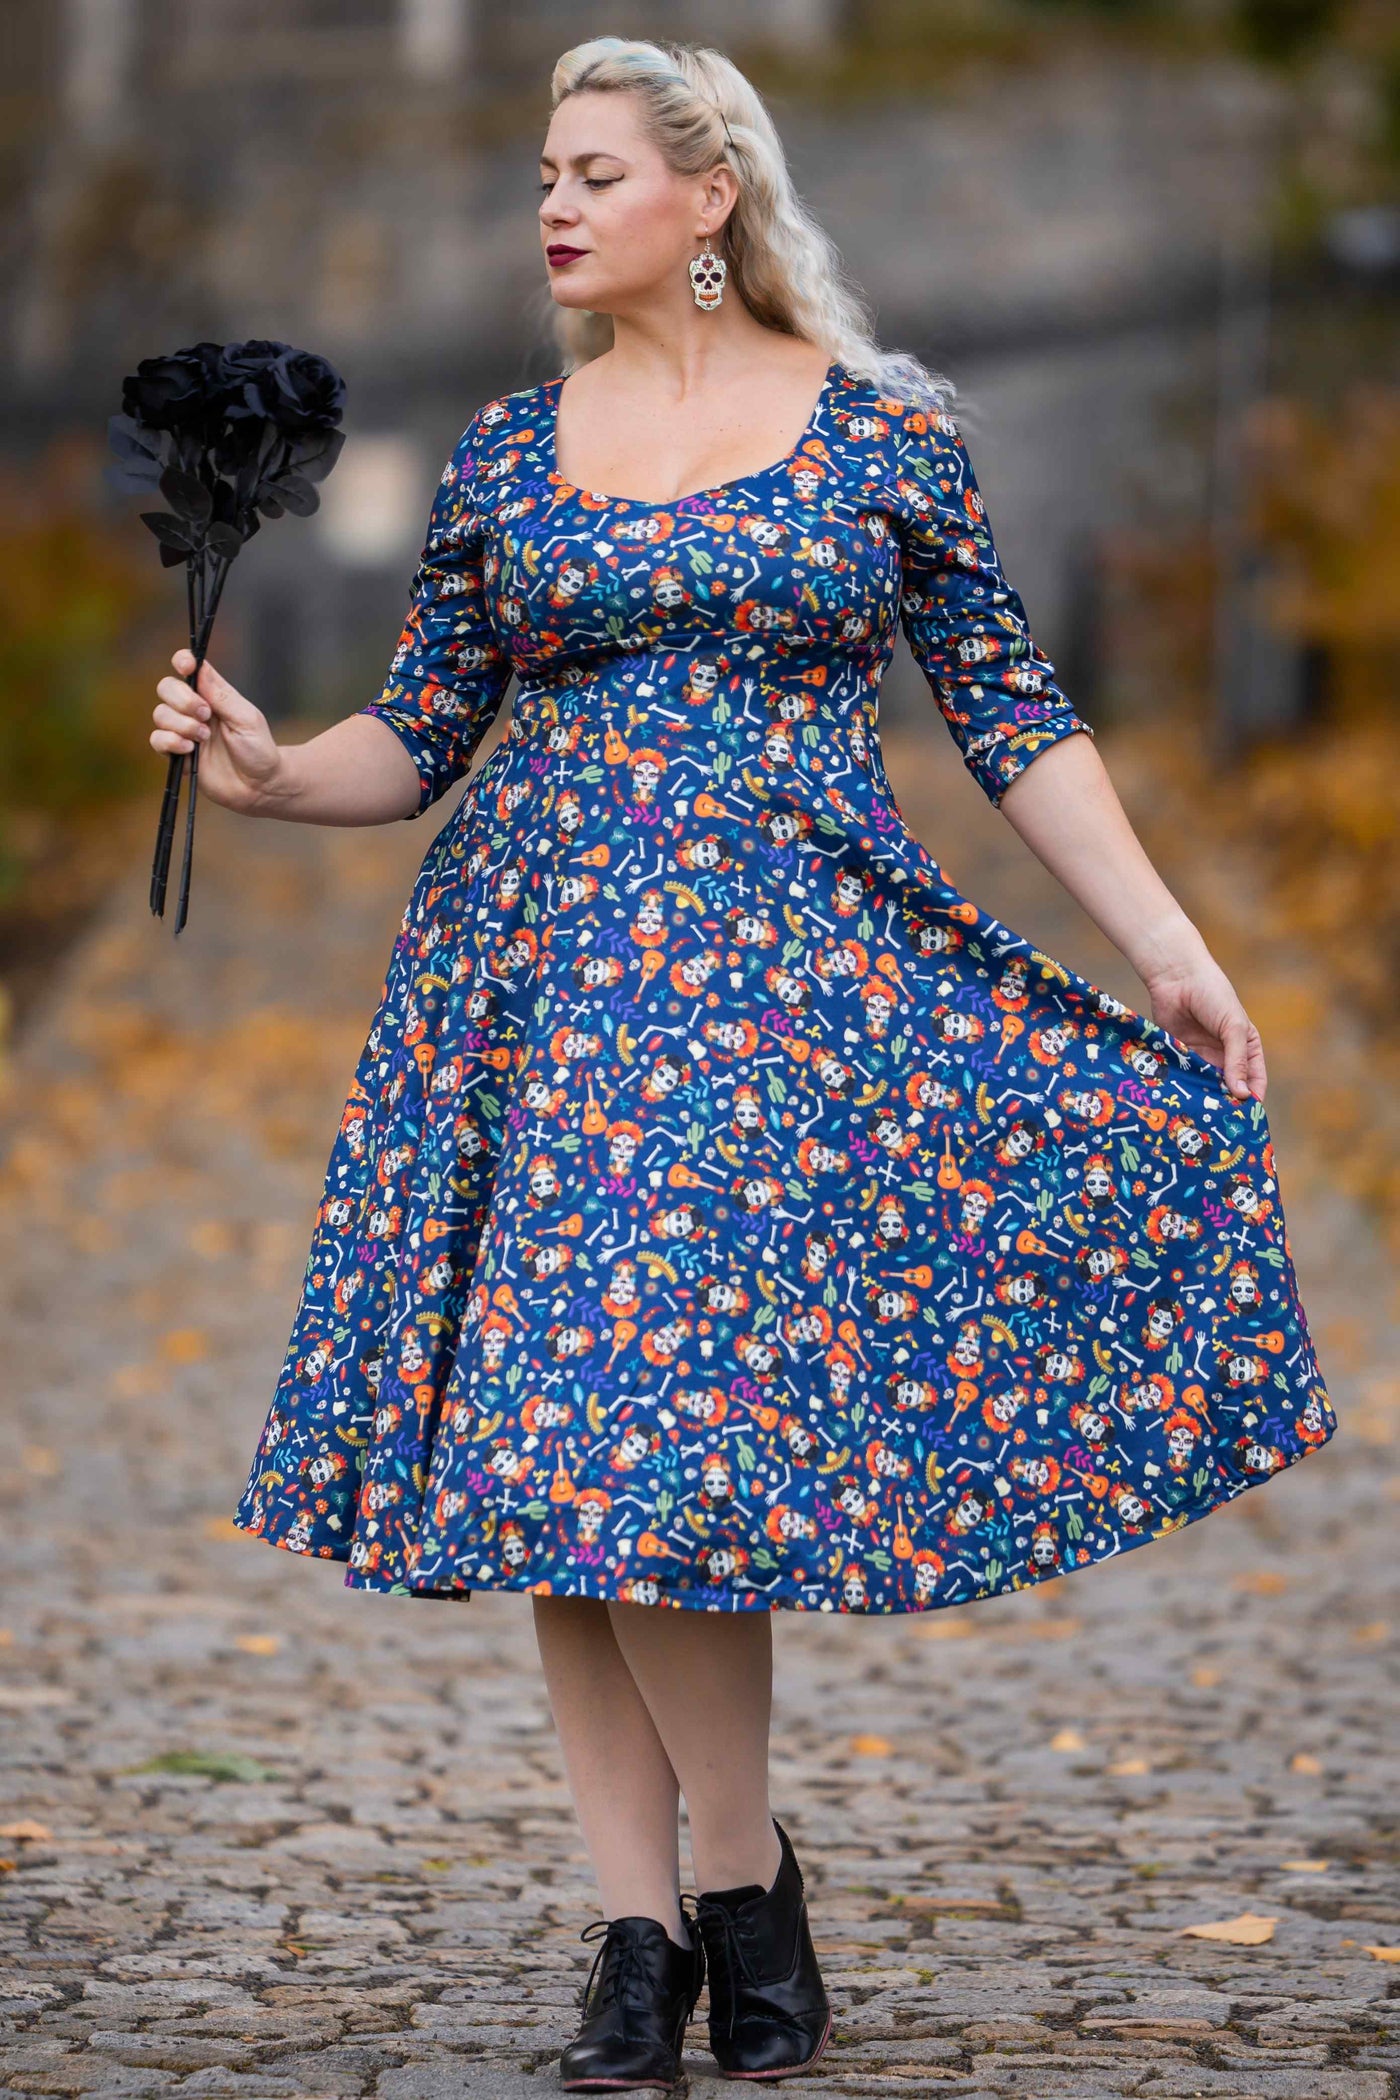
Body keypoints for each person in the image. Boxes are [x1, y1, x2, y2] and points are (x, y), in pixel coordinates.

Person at [149, 32, 1337, 2095]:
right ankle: (642, 1930)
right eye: (544, 170)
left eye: (596, 168)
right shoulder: (510, 455)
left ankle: (735, 1867)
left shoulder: (882, 434)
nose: (555, 202)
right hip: (533, 994)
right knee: (562, 1450)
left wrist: (1167, 944)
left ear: (710, 198)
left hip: (783, 1004)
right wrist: (265, 772)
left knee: (668, 1442)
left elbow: (1013, 711)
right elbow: (417, 739)